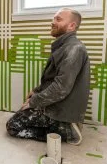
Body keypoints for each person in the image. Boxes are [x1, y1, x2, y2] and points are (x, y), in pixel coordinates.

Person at [6, 8, 90, 145]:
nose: (52, 22)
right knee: (21, 113)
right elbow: (54, 79)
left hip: (62, 111)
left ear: (72, 26)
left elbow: (61, 88)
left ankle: (67, 132)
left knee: (13, 126)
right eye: (54, 18)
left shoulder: (74, 49)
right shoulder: (64, 46)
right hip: (57, 104)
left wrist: (34, 102)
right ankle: (60, 127)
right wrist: (36, 91)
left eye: (58, 19)